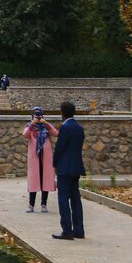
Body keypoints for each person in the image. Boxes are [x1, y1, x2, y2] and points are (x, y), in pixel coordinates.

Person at [52, 101, 85, 241]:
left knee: (63, 199)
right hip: (76, 167)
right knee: (76, 199)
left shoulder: (65, 127)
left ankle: (67, 230)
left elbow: (60, 148)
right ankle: (79, 230)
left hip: (64, 169)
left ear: (62, 113)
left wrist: (54, 163)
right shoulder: (79, 128)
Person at [23, 107, 58, 213]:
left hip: (46, 158)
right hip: (34, 158)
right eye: (35, 115)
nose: (37, 117)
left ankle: (44, 204)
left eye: (39, 115)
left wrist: (46, 123)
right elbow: (25, 134)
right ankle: (31, 205)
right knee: (34, 180)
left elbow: (55, 133)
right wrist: (33, 123)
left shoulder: (46, 126)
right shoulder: (29, 126)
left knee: (45, 180)